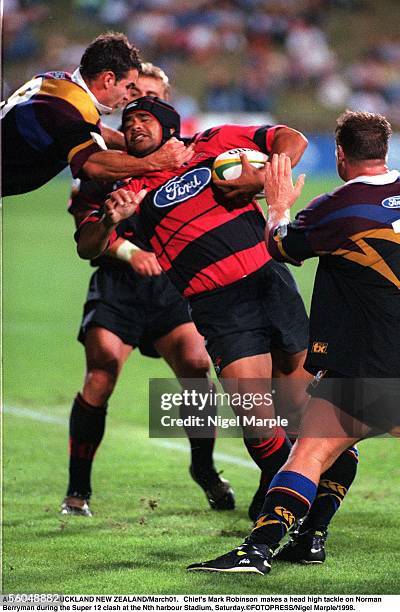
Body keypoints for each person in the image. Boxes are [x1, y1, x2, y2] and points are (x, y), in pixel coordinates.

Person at [74, 96, 312, 518]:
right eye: (126, 123)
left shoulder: (213, 143)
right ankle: (290, 496)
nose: (132, 128)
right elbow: (87, 243)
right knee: (253, 414)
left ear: (169, 126)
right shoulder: (131, 189)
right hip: (216, 304)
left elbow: (289, 139)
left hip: (270, 279)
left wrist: (261, 181)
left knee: (297, 396)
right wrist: (111, 221)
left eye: (143, 119)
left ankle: (277, 493)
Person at [186, 110, 400, 574]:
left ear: (340, 155)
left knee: (310, 451)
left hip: (374, 367)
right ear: (385, 149)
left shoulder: (336, 208)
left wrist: (278, 203)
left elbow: (280, 246)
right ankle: (310, 539)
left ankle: (257, 551)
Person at [61, 67, 234, 517]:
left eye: (150, 103)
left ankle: (204, 469)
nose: (137, 114)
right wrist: (122, 244)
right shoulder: (106, 166)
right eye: (132, 102)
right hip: (118, 288)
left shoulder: (190, 160)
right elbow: (86, 237)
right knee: (101, 373)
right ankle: (77, 492)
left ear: (167, 112)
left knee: (197, 369)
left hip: (171, 287)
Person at [1, 32, 193, 196]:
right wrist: (155, 161)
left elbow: (91, 130)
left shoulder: (59, 82)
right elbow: (93, 165)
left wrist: (143, 144)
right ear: (109, 79)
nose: (128, 97)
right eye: (128, 87)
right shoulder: (69, 108)